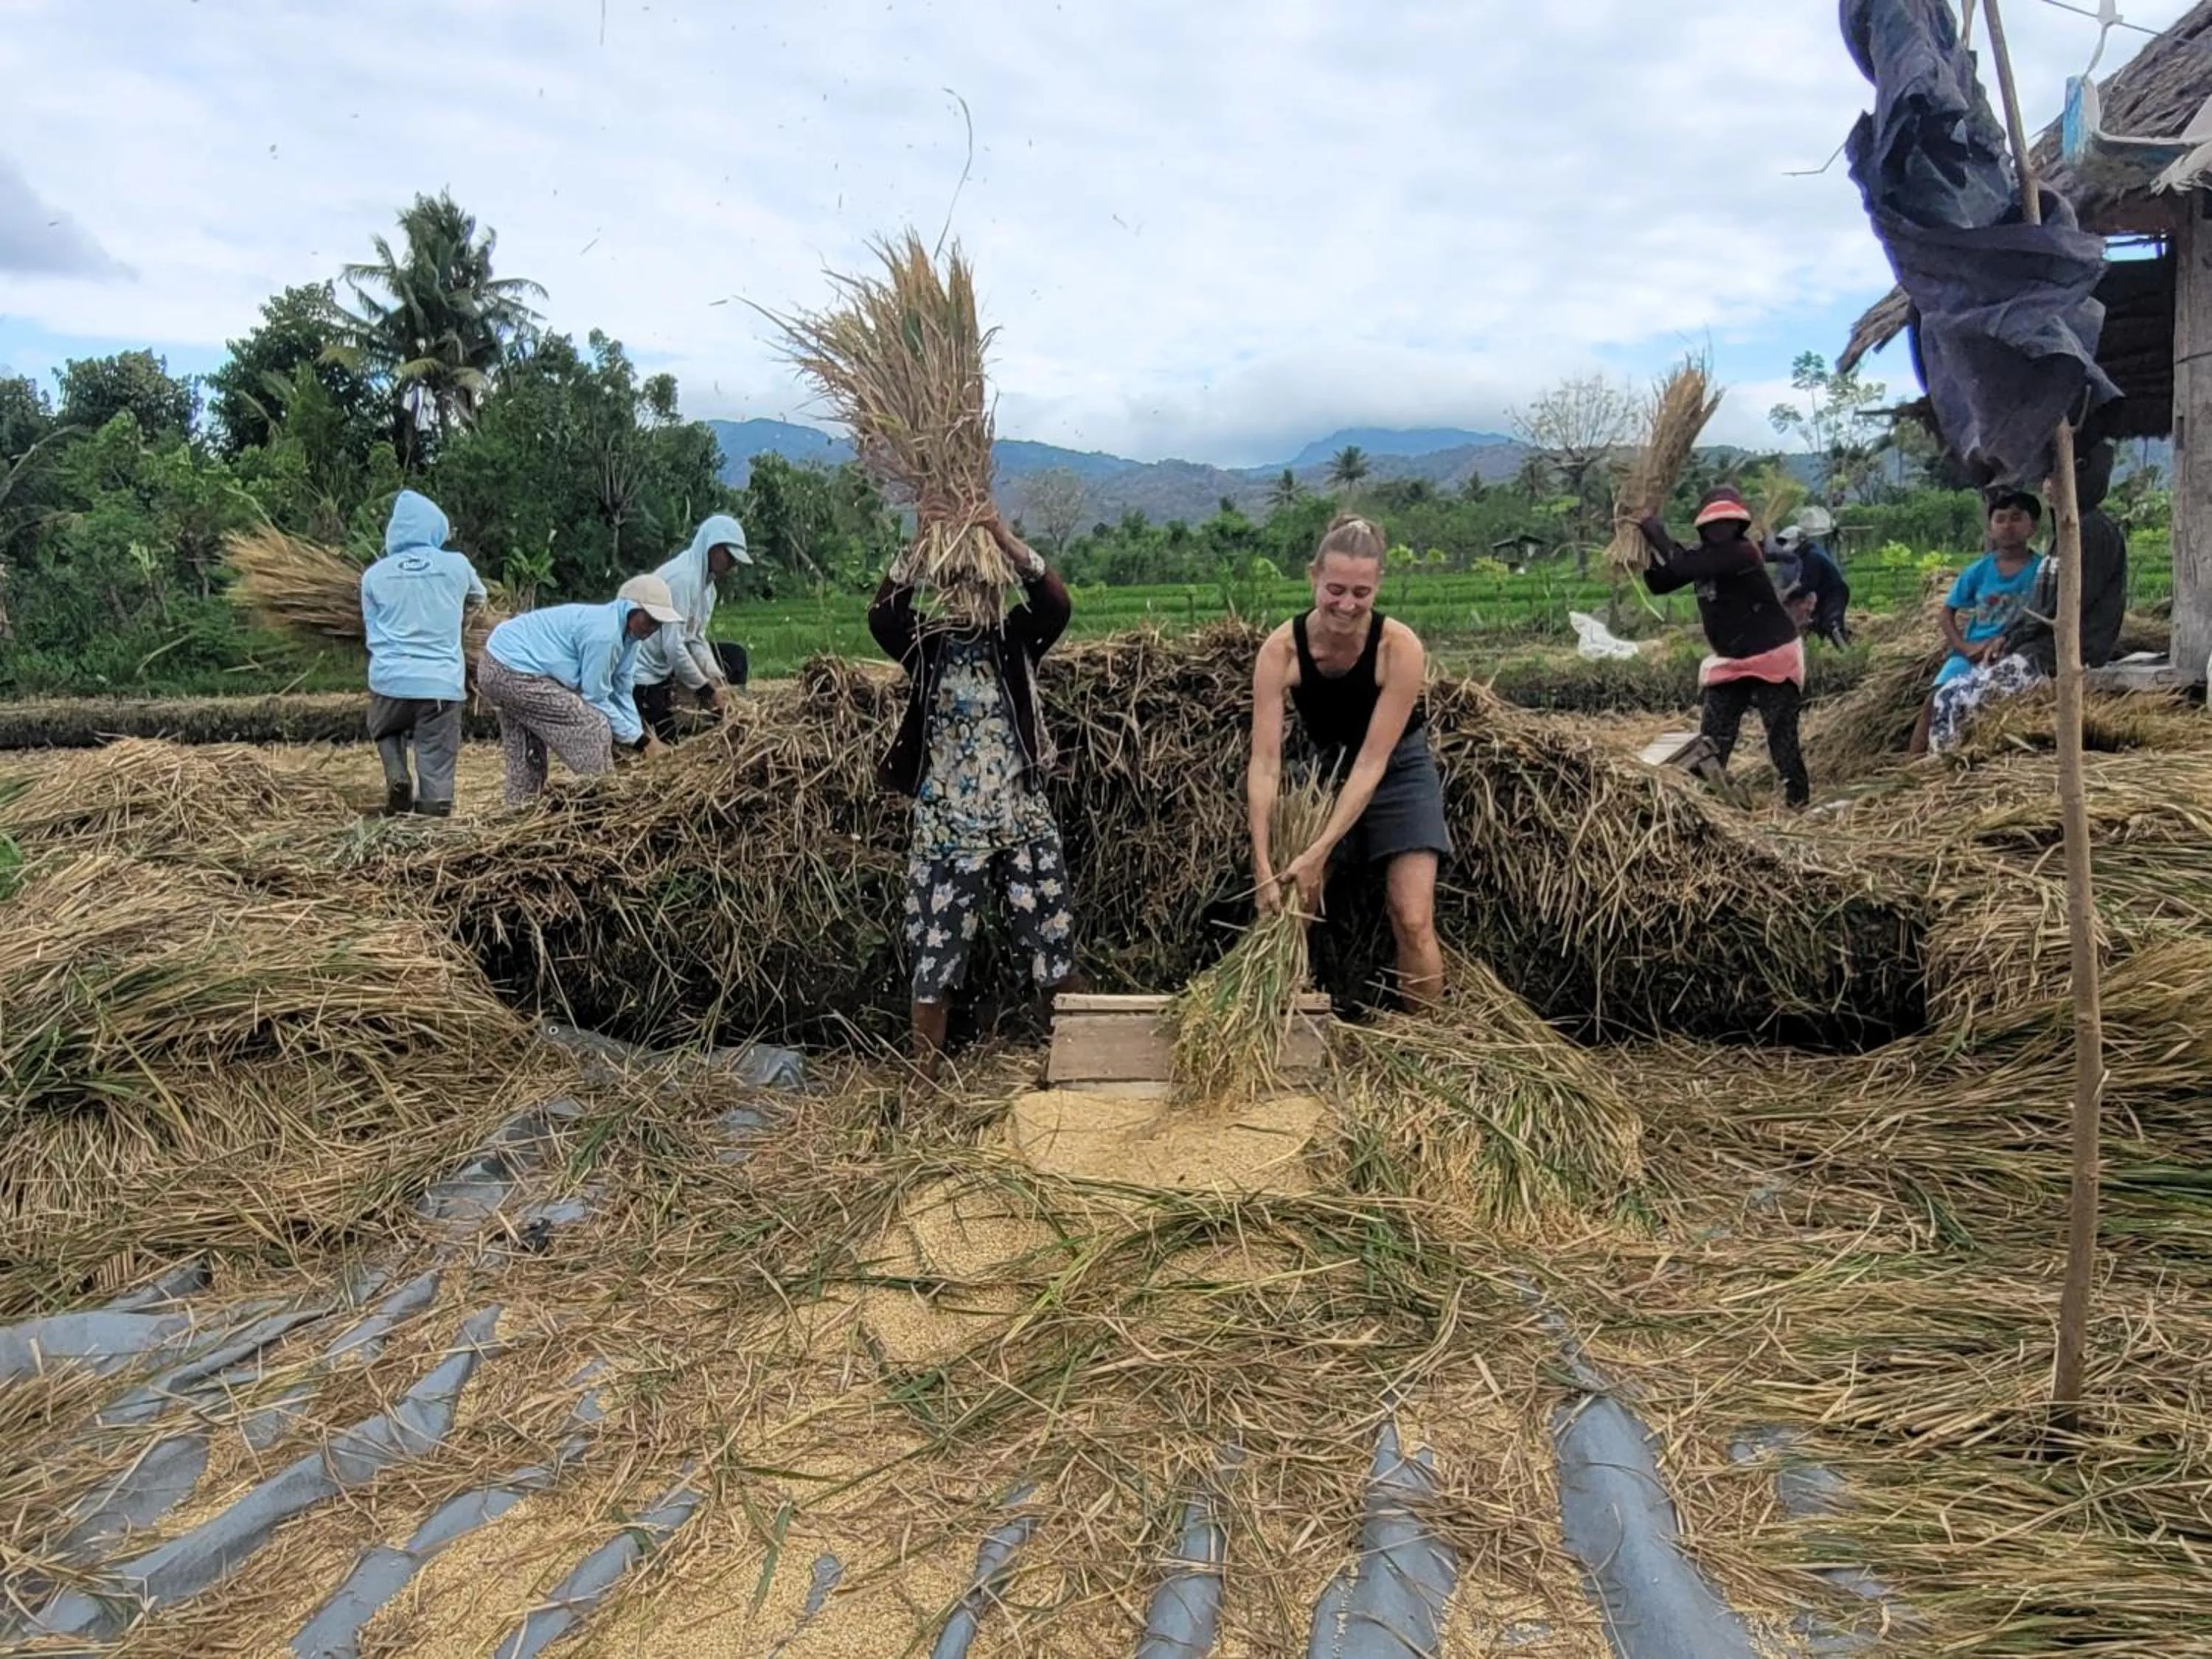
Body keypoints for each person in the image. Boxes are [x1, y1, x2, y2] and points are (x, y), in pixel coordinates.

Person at [869, 518, 1081, 1088]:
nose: (968, 600)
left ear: (993, 586)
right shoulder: (927, 645)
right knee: (935, 949)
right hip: (947, 823)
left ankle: (1067, 1059)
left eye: (979, 586)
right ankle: (925, 1072)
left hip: (1017, 813)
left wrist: (1004, 539)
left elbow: (1056, 603)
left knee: (1050, 938)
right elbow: (883, 615)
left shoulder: (1017, 638)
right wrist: (921, 546)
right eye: (956, 587)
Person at [1247, 513, 1449, 1006]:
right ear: (1313, 576)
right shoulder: (1280, 652)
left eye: (1362, 593)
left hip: (1396, 771)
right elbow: (1266, 763)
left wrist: (1318, 851)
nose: (1347, 604)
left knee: (1413, 915)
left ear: (1378, 585)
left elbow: (1373, 762)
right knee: (1295, 905)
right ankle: (1289, 1021)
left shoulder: (1399, 648)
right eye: (1335, 589)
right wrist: (1262, 864)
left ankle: (1432, 1041)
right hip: (1326, 771)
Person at [1928, 445, 2129, 754]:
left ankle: (1949, 770)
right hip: (2037, 647)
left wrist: (2014, 638)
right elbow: (2042, 603)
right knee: (1946, 693)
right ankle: (1935, 766)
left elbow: (2068, 605)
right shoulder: (2068, 531)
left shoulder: (2090, 531)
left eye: (2055, 478)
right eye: (2047, 478)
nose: (2047, 485)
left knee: (1956, 699)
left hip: (2058, 654)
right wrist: (2008, 638)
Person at [1638, 486, 1809, 808]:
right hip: (1731, 662)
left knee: (1781, 738)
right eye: (1715, 525)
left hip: (1773, 655)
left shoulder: (1742, 553)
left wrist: (1654, 530)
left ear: (1739, 527)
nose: (1721, 530)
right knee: (1714, 738)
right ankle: (1708, 802)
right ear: (1703, 528)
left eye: (1728, 524)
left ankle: (1797, 803)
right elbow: (1662, 581)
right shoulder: (1705, 558)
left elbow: (1681, 564)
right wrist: (1639, 548)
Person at [477, 574, 681, 806]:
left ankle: (518, 811)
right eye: (650, 620)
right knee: (592, 726)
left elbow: (622, 688)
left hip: (504, 660)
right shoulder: (605, 634)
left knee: (527, 753)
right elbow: (595, 697)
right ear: (632, 610)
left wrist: (638, 736)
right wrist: (642, 742)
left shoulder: (631, 638)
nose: (654, 629)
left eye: (659, 624)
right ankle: (608, 802)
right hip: (509, 669)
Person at [359, 489, 486, 818]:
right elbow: (479, 598)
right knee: (437, 757)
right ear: (435, 529)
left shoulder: (374, 575)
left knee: (383, 727)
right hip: (441, 684)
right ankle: (433, 819)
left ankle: (397, 775)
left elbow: (370, 629)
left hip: (391, 680)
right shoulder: (456, 565)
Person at [1908, 491, 2045, 756]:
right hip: (1972, 653)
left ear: (2033, 527)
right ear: (1990, 527)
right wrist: (1965, 647)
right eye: (2000, 519)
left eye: (2017, 519)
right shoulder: (1978, 571)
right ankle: (1911, 766)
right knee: (1935, 699)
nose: (2008, 526)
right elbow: (1946, 613)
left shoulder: (2042, 571)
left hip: (2017, 652)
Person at [632, 512, 754, 743]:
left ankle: (724, 722)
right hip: (643, 674)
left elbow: (696, 638)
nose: (733, 565)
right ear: (712, 548)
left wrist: (717, 679)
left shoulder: (709, 589)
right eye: (730, 557)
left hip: (667, 664)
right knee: (668, 742)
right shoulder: (682, 580)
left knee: (734, 658)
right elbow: (673, 646)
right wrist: (707, 691)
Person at [1769, 523, 1851, 648]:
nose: (1783, 546)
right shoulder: (1810, 553)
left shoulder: (1812, 557)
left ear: (1795, 541)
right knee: (1817, 625)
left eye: (1785, 541)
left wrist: (1788, 597)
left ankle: (1847, 654)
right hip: (1826, 594)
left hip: (1835, 593)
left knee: (1832, 624)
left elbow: (1807, 585)